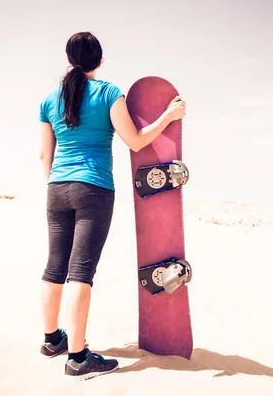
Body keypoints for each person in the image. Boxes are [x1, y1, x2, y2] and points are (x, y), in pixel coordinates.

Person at [37, 31, 186, 380]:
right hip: (93, 189)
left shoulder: (49, 99)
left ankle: (50, 341)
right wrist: (167, 116)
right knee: (81, 273)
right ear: (99, 60)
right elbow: (134, 141)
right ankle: (77, 358)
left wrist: (56, 183)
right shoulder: (108, 93)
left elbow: (45, 154)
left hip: (56, 188)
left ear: (69, 58)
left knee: (54, 268)